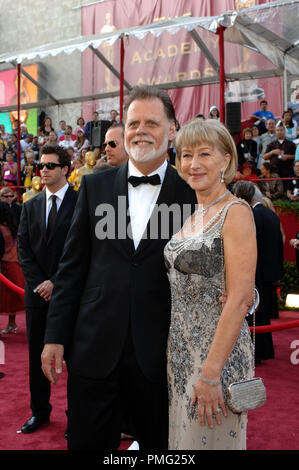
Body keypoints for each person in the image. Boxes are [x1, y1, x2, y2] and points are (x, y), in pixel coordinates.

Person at [41, 85, 197, 451]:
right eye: (133, 123)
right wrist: (54, 336)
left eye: (151, 123)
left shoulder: (191, 193)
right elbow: (71, 270)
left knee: (160, 449)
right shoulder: (94, 187)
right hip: (94, 348)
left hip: (161, 355)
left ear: (172, 128)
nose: (140, 130)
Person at [164, 118, 256, 450]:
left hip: (216, 360)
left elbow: (239, 298)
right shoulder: (193, 214)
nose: (193, 164)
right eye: (186, 155)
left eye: (205, 154)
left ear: (226, 161)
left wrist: (210, 374)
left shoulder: (236, 212)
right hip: (180, 355)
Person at [17, 145, 78, 434]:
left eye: (51, 165)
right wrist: (41, 283)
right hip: (37, 296)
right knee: (35, 358)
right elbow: (23, 250)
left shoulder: (81, 203)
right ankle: (39, 412)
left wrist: (56, 282)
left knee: (75, 358)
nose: (44, 170)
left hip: (70, 294)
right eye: (41, 166)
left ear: (66, 169)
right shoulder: (29, 205)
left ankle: (75, 416)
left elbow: (80, 251)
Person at [232, 181, 283, 362]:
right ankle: (264, 350)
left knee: (254, 314)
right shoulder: (271, 214)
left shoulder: (251, 215)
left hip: (254, 270)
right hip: (268, 271)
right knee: (263, 315)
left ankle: (256, 352)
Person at [0, 201, 25, 335]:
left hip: (4, 266)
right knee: (13, 299)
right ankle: (11, 323)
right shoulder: (13, 227)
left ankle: (10, 324)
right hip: (15, 264)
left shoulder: (2, 229)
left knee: (5, 299)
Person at [263, 123, 296, 190]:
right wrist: (273, 152)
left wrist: (287, 156)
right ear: (275, 132)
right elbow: (264, 157)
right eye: (277, 130)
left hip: (287, 171)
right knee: (276, 189)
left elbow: (296, 156)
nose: (279, 132)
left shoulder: (291, 144)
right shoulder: (271, 144)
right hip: (275, 171)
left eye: (281, 130)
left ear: (284, 132)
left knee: (287, 188)